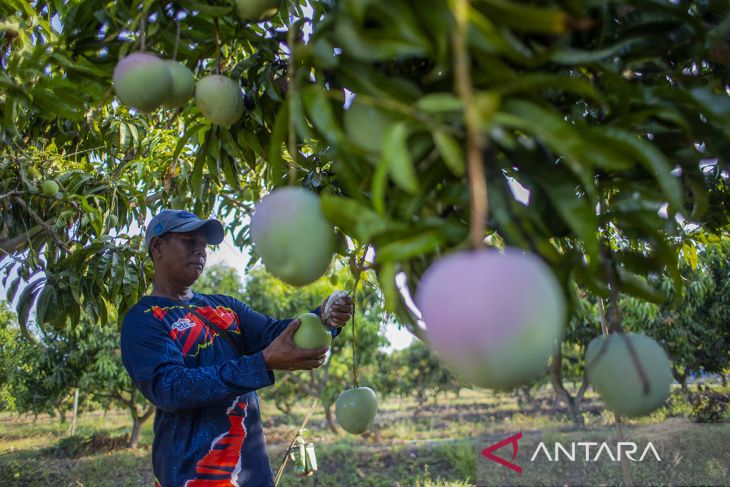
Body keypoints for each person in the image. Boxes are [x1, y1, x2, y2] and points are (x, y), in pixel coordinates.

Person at [120, 210, 354, 487]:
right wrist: (261, 363)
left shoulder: (224, 307)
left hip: (250, 477)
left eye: (203, 245)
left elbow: (277, 335)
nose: (200, 252)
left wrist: (325, 317)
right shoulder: (144, 319)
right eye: (189, 242)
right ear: (157, 247)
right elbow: (171, 388)